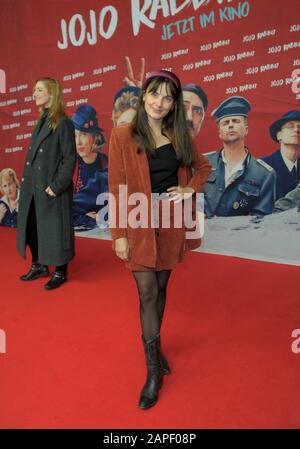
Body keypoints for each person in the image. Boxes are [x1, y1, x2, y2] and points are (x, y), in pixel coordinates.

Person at [108, 70, 211, 409]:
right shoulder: (123, 135)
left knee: (162, 287)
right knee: (147, 290)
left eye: (167, 98)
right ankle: (154, 372)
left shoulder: (179, 134)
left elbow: (203, 167)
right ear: (144, 95)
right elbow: (116, 186)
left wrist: (188, 189)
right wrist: (118, 234)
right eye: (155, 94)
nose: (159, 102)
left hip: (171, 221)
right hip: (137, 223)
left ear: (172, 105)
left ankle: (157, 348)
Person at [16, 77, 76, 290]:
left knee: (56, 229)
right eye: (34, 90)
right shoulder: (41, 121)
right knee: (33, 225)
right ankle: (39, 264)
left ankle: (61, 271)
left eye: (39, 90)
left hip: (51, 189)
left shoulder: (64, 123)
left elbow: (69, 158)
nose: (34, 94)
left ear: (52, 93)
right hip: (34, 188)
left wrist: (56, 186)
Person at [203, 96, 276, 217]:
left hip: (240, 235)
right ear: (219, 133)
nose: (230, 125)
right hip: (204, 234)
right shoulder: (202, 164)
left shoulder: (265, 174)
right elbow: (192, 203)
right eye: (225, 123)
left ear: (246, 129)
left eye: (236, 121)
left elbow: (261, 224)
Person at [123, 56, 208, 139]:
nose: (189, 117)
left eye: (197, 110)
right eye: (183, 107)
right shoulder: (126, 134)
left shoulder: (190, 151)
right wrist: (136, 94)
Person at [71, 104, 108, 230]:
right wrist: (86, 218)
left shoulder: (108, 165)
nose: (78, 141)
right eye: (75, 135)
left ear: (95, 136)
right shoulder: (69, 169)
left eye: (83, 134)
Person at [262, 110, 300, 200]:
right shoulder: (262, 166)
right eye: (290, 126)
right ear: (279, 135)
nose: (296, 130)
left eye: (299, 127)